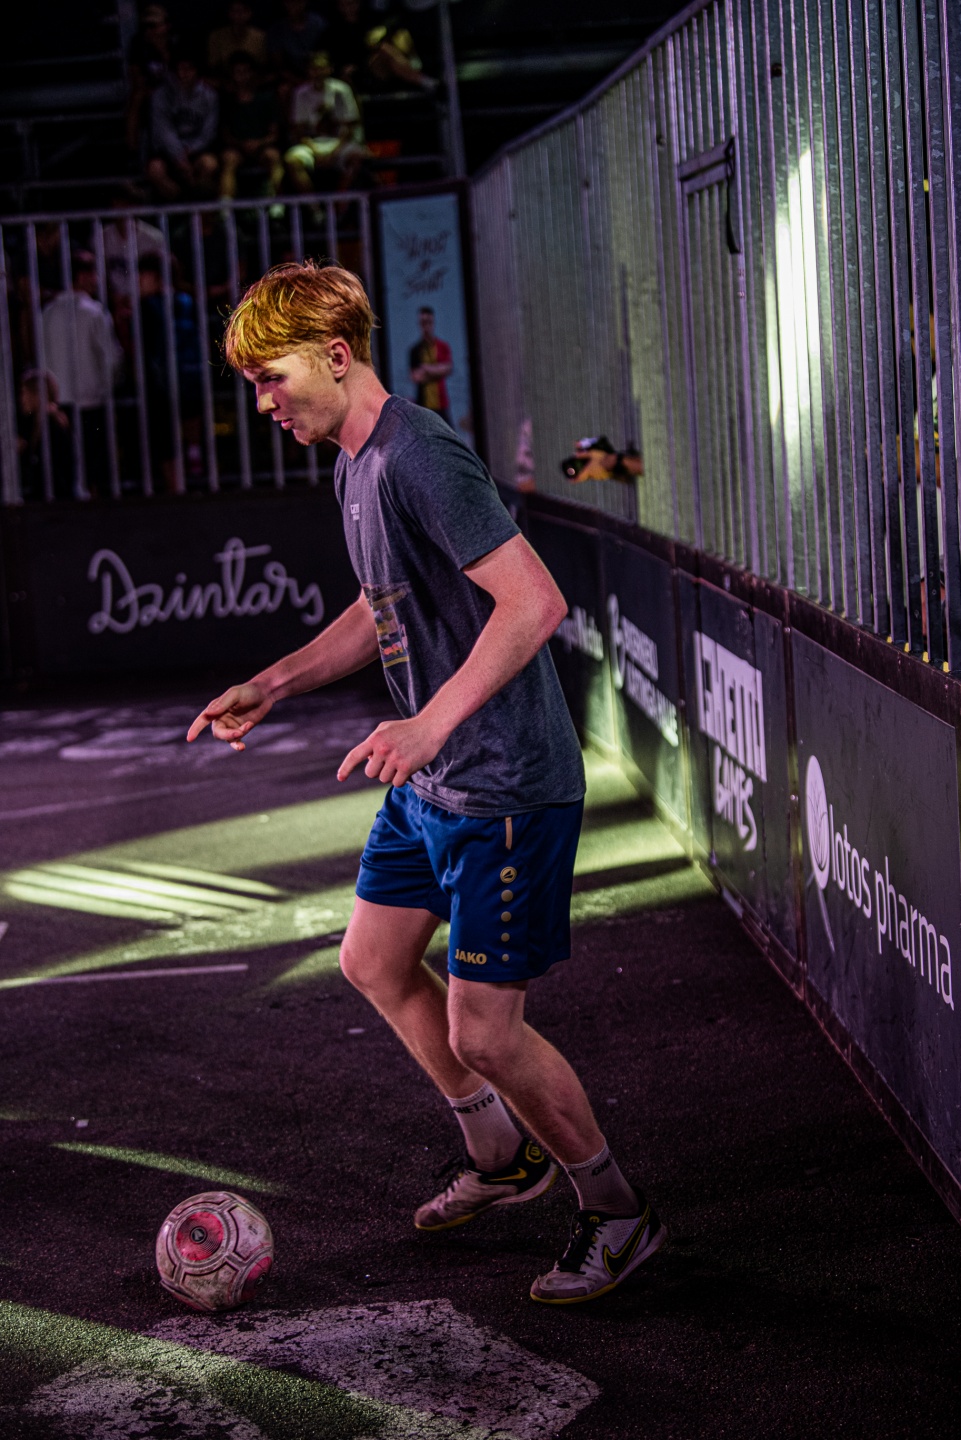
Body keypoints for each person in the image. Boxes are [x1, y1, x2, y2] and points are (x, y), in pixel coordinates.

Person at [186, 261, 667, 1304]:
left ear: (335, 356)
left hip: (503, 787)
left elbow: (533, 603)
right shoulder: (352, 464)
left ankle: (617, 1210)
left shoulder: (418, 456)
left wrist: (428, 721)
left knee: (483, 1032)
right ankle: (503, 1157)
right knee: (371, 960)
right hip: (433, 781)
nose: (263, 403)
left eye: (270, 380)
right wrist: (272, 682)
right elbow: (382, 608)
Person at [41, 251, 123, 498]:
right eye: (94, 273)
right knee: (94, 467)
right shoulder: (94, 312)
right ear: (82, 276)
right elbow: (112, 358)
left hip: (60, 403)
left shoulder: (47, 312)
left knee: (66, 468)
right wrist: (108, 387)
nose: (97, 279)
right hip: (91, 400)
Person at [285, 50, 368, 193]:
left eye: (322, 68)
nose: (318, 73)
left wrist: (334, 153)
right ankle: (314, 205)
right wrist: (315, 151)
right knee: (292, 160)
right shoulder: (301, 93)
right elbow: (299, 130)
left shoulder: (342, 90)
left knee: (357, 158)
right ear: (308, 71)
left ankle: (339, 203)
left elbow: (350, 126)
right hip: (312, 144)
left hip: (340, 143)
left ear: (330, 69)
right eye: (314, 69)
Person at [147, 52, 220, 201]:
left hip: (196, 149)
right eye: (179, 70)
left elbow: (209, 132)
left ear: (197, 71)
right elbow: (164, 131)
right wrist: (179, 156)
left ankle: (198, 203)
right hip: (168, 150)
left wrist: (191, 149)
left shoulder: (209, 96)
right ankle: (180, 202)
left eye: (188, 69)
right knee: (155, 170)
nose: (183, 74)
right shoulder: (160, 96)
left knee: (210, 164)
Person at [220, 52, 284, 199]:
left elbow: (274, 134)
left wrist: (258, 143)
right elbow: (225, 134)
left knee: (273, 156)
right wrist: (241, 144)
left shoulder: (267, 99)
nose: (242, 77)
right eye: (238, 72)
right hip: (237, 149)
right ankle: (225, 207)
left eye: (246, 72)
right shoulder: (227, 101)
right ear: (232, 75)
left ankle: (276, 205)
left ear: (253, 73)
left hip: (262, 147)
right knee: (229, 159)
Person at [17, 370, 74, 501]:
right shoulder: (39, 423)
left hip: (56, 500)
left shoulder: (52, 425)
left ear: (37, 395)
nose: (21, 399)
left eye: (24, 393)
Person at [409, 306, 452, 428]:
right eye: (423, 323)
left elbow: (447, 368)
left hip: (441, 403)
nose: (426, 326)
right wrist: (437, 371)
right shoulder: (415, 350)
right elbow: (415, 377)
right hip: (423, 405)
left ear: (433, 323)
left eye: (428, 322)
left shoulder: (442, 346)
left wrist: (427, 369)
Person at [207, 0, 267, 80]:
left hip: (253, 81)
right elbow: (214, 65)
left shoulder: (260, 37)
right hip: (225, 81)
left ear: (249, 13)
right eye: (234, 11)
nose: (238, 15)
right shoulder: (216, 36)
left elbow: (262, 65)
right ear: (229, 13)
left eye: (242, 11)